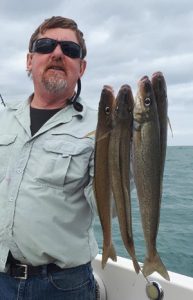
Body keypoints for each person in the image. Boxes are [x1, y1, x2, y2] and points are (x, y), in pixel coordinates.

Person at [0, 16, 99, 300]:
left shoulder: (101, 128)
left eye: (70, 50)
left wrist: (126, 155)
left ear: (81, 67)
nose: (57, 53)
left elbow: (111, 209)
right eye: (46, 45)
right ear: (29, 61)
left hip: (63, 286)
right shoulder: (3, 120)